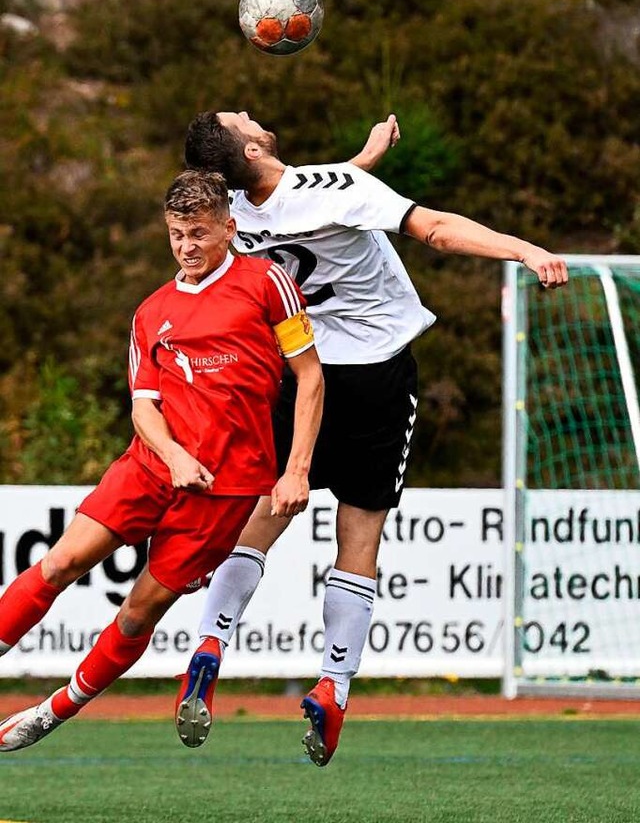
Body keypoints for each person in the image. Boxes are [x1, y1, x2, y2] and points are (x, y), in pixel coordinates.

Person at [176, 110, 569, 766]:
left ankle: (211, 642)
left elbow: (305, 198)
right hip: (375, 376)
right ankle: (334, 684)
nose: (251, 112)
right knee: (359, 535)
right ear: (250, 144)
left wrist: (361, 159)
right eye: (241, 116)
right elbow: (436, 230)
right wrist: (524, 249)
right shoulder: (332, 188)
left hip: (297, 378)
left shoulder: (236, 212)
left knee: (261, 517)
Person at [0, 169, 323, 752]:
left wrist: (296, 467)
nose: (186, 246)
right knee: (60, 563)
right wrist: (173, 455)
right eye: (176, 234)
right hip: (150, 467)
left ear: (229, 226)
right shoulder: (152, 311)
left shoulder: (269, 283)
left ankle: (57, 709)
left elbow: (310, 375)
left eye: (198, 233)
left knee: (137, 612)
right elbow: (143, 409)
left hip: (226, 491)